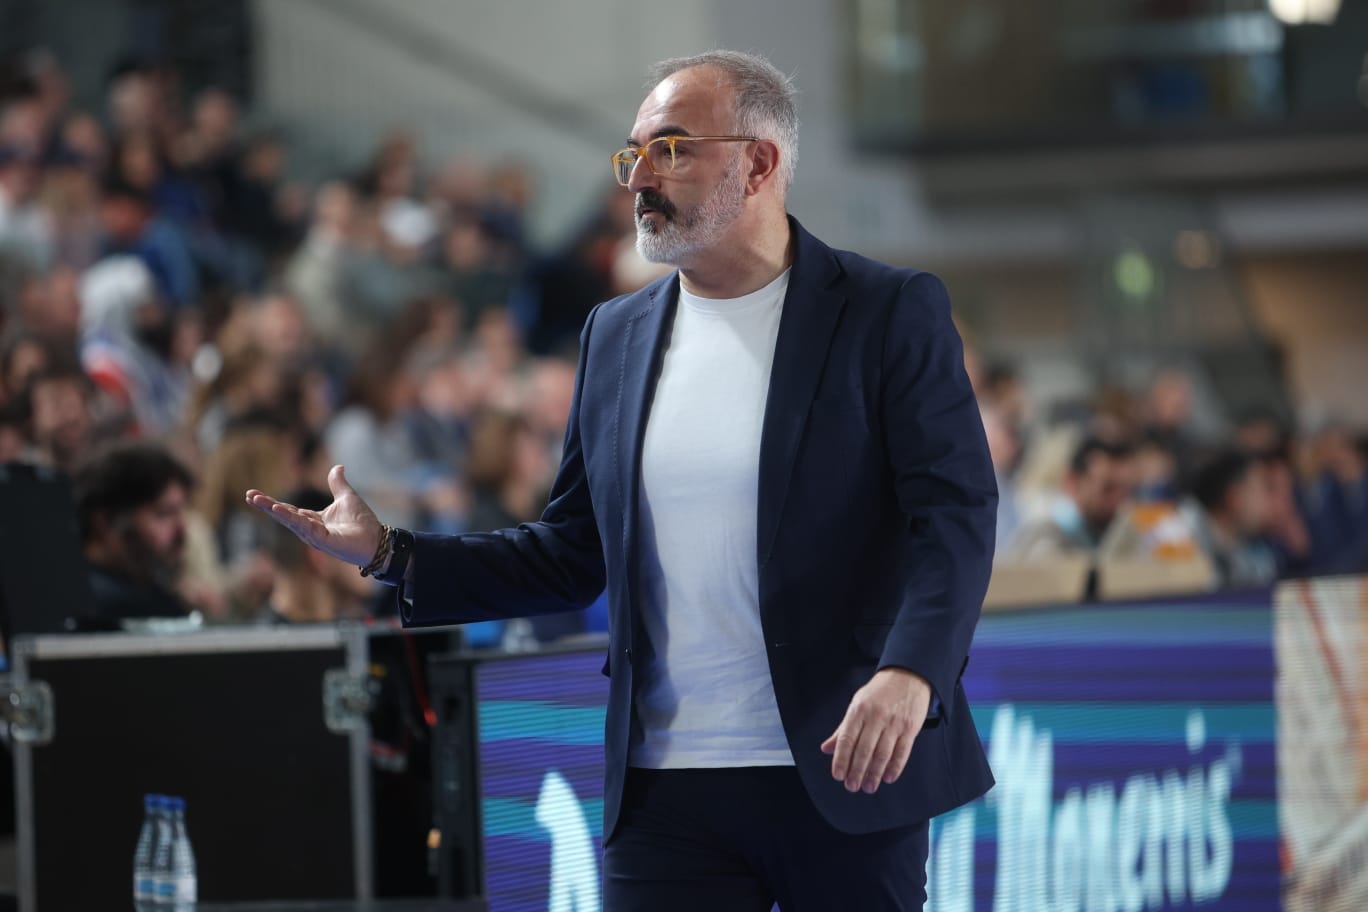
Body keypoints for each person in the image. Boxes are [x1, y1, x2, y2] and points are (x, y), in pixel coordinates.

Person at [249, 50, 996, 910]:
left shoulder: (885, 310)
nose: (640, 175)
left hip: (846, 765)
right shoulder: (614, 333)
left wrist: (913, 672)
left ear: (759, 162)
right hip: (665, 788)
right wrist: (391, 554)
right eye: (633, 153)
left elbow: (955, 513)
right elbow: (570, 552)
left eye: (672, 148)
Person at [75, 441, 194, 624]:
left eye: (181, 512)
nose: (181, 529)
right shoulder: (101, 607)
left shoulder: (152, 595)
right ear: (105, 521)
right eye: (163, 514)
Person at [1009, 436, 1135, 558]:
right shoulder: (1045, 539)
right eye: (1108, 489)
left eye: (1126, 491)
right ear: (1072, 482)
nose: (1119, 501)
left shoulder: (1104, 534)